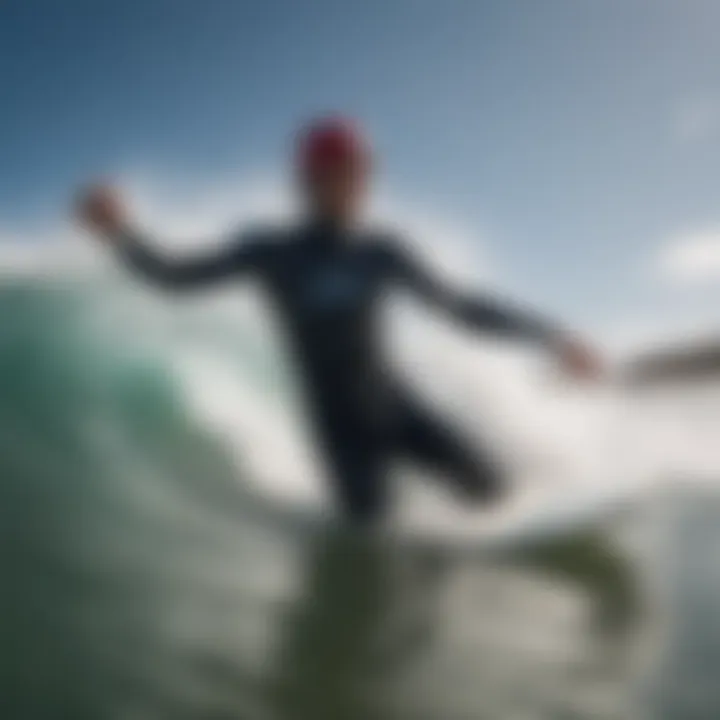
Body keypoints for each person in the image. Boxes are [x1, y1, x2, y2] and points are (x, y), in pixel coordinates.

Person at [76, 116, 602, 525]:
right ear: (308, 180)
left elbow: (462, 310)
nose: (353, 181)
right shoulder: (271, 251)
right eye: (336, 172)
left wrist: (550, 336)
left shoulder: (382, 251)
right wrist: (123, 236)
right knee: (377, 548)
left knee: (495, 493)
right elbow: (177, 278)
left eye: (360, 169)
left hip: (398, 409)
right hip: (343, 439)